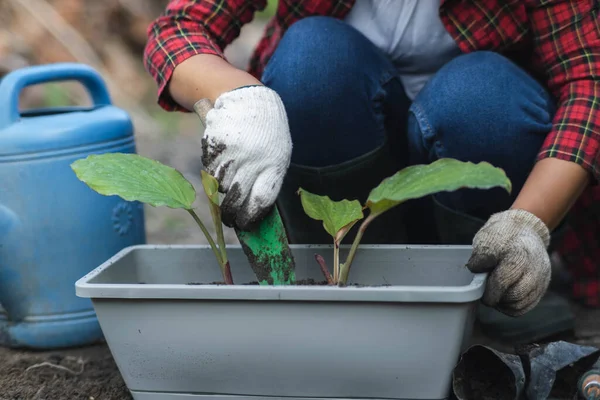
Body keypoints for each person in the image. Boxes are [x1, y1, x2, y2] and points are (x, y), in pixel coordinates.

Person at [143, 0, 600, 343]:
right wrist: (243, 99)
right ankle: (344, 285)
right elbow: (179, 28)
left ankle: (489, 294)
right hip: (342, 172)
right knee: (313, 57)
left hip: (478, 172)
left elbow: (589, 81)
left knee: (479, 94)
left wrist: (529, 222)